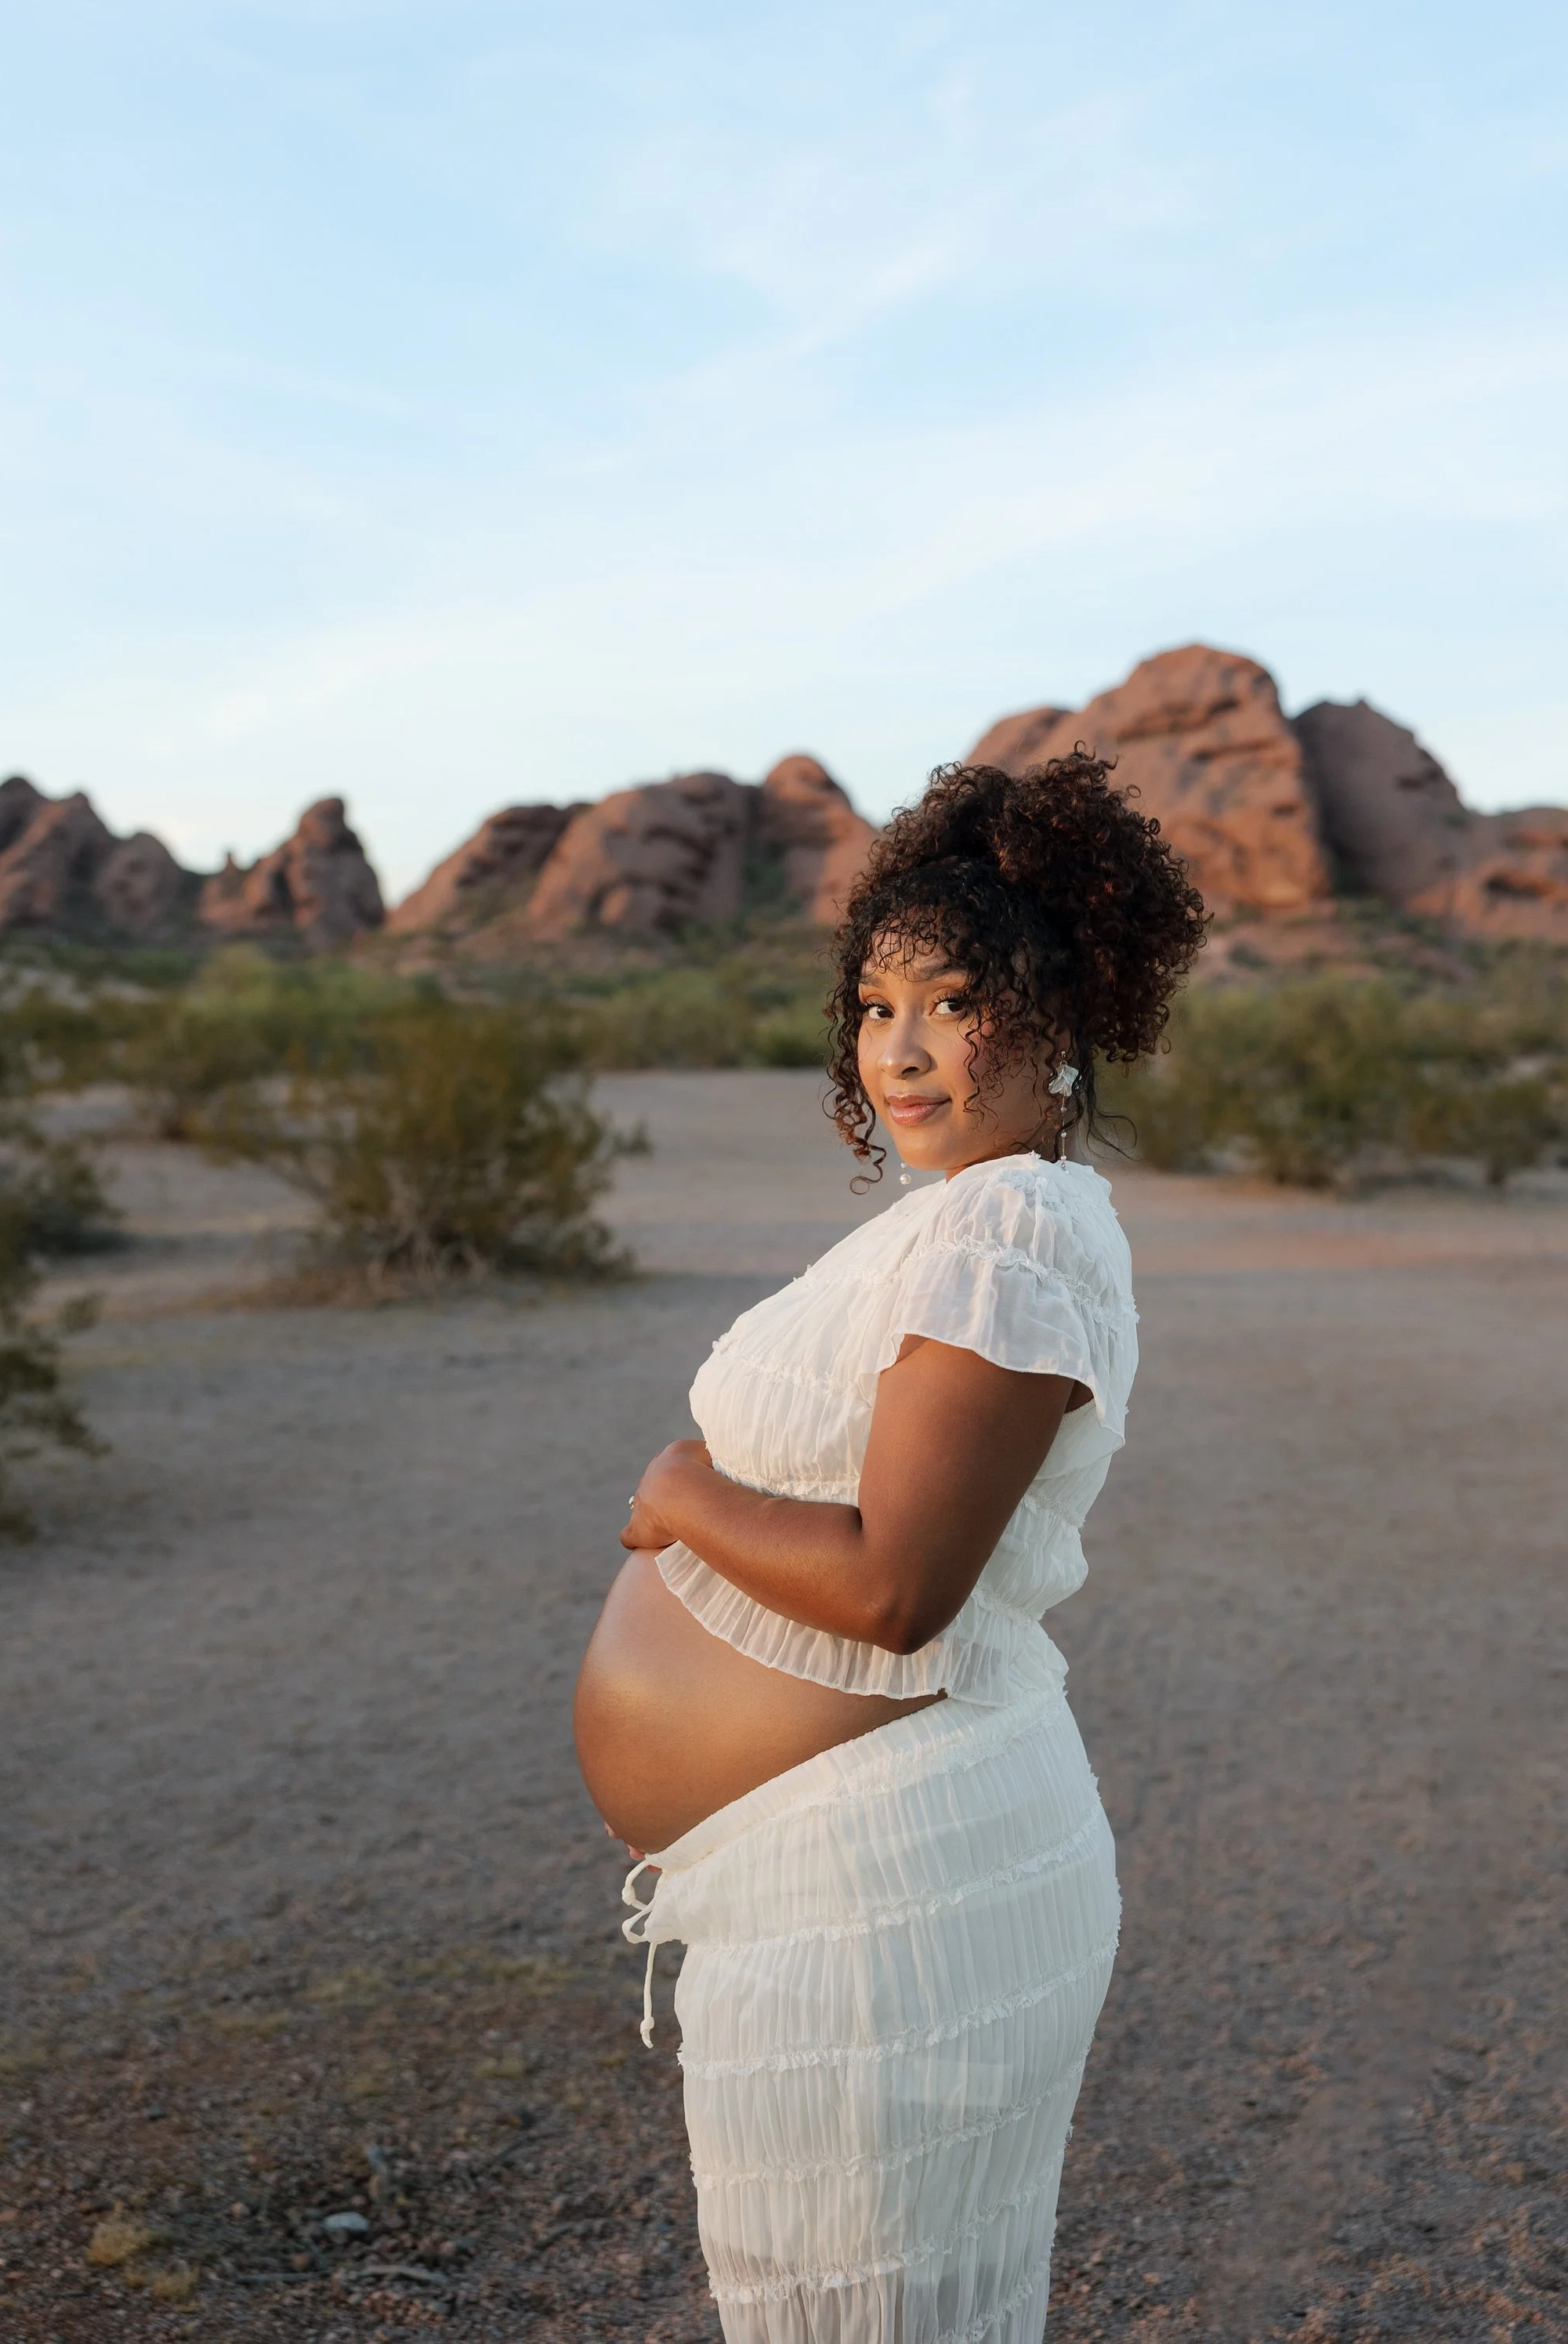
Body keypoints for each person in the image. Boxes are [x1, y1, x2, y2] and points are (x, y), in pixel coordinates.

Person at [574, 752, 1206, 2342]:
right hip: (832, 1882)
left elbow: (893, 1587)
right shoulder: (960, 1218)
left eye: (952, 1003)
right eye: (874, 1006)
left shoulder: (1013, 1229)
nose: (900, 1050)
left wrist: (680, 1491)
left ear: (1061, 1017)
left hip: (891, 1893)